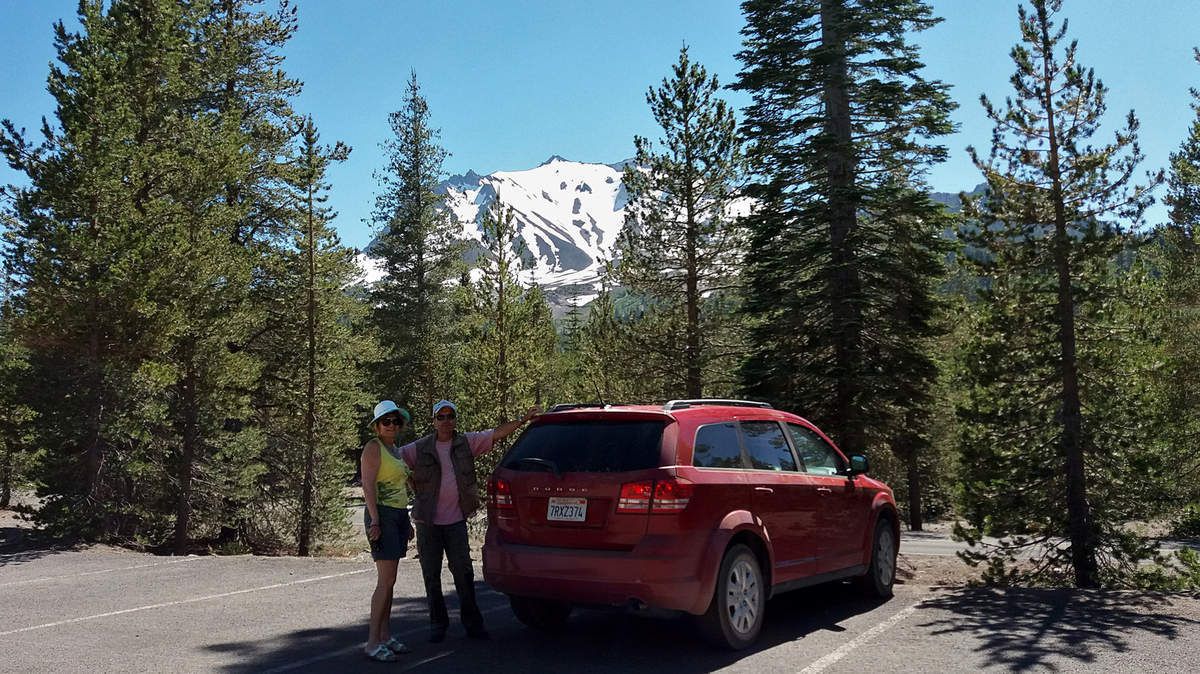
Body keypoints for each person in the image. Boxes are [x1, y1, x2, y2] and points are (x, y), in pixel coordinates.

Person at [397, 399, 539, 642]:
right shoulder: (418, 448)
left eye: (449, 416)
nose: (445, 421)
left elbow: (496, 434)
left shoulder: (467, 443)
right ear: (433, 421)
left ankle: (473, 624)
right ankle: (437, 625)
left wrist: (524, 421)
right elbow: (394, 463)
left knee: (463, 574)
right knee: (431, 575)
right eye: (440, 417)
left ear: (455, 419)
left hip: (456, 522)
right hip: (427, 523)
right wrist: (409, 481)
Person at [360, 400, 415, 662]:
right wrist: (375, 521)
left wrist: (406, 522)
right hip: (381, 515)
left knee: (391, 581)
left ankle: (385, 635)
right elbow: (368, 486)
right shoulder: (374, 448)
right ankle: (372, 642)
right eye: (386, 422)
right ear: (377, 426)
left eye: (395, 421)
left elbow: (403, 486)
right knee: (384, 582)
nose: (391, 425)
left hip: (397, 515)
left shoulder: (395, 450)